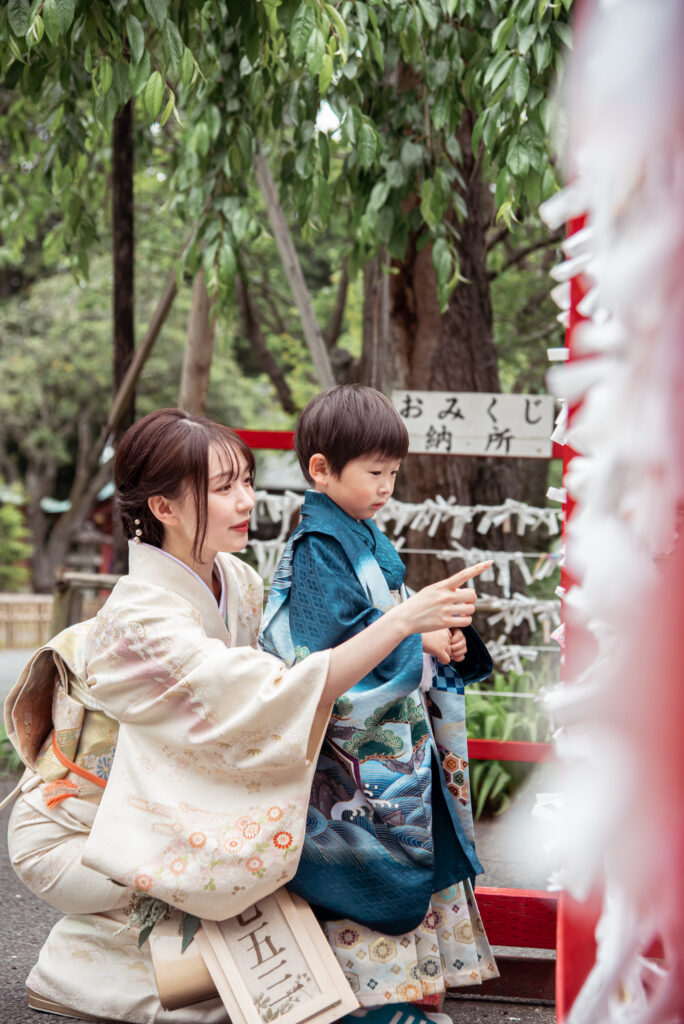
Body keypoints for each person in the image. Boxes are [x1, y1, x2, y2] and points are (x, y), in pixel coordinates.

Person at [3, 408, 486, 1024]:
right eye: (222, 488)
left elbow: (317, 673)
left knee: (307, 841)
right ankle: (88, 973)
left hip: (167, 805)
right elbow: (276, 696)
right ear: (165, 508)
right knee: (262, 900)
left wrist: (415, 644)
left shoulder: (237, 579)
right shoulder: (139, 623)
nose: (246, 501)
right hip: (86, 831)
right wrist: (402, 622)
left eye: (247, 482)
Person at [260, 385, 499, 1022]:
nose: (387, 485)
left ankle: (411, 992)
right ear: (320, 470)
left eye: (393, 472)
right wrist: (414, 638)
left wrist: (441, 634)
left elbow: (386, 617)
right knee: (370, 853)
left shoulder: (360, 536)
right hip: (354, 754)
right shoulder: (318, 548)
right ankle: (370, 1003)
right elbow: (322, 652)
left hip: (388, 740)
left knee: (407, 847)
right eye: (374, 472)